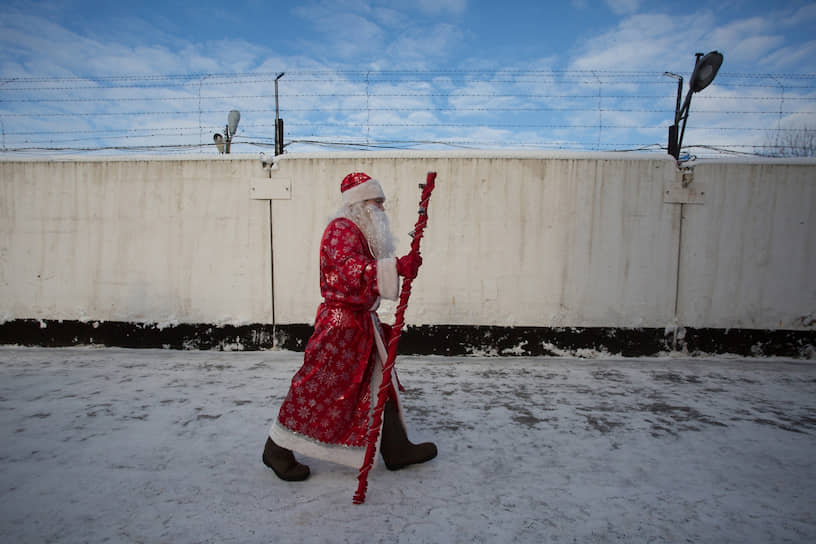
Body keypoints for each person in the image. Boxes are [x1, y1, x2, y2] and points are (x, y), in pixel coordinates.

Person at [262, 172, 437, 481]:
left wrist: (396, 266)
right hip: (340, 327)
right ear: (358, 203)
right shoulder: (341, 230)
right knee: (316, 387)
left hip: (361, 324)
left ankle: (396, 447)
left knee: (382, 383)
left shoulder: (361, 232)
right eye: (376, 201)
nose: (383, 208)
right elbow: (348, 269)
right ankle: (277, 448)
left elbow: (365, 268)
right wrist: (395, 267)